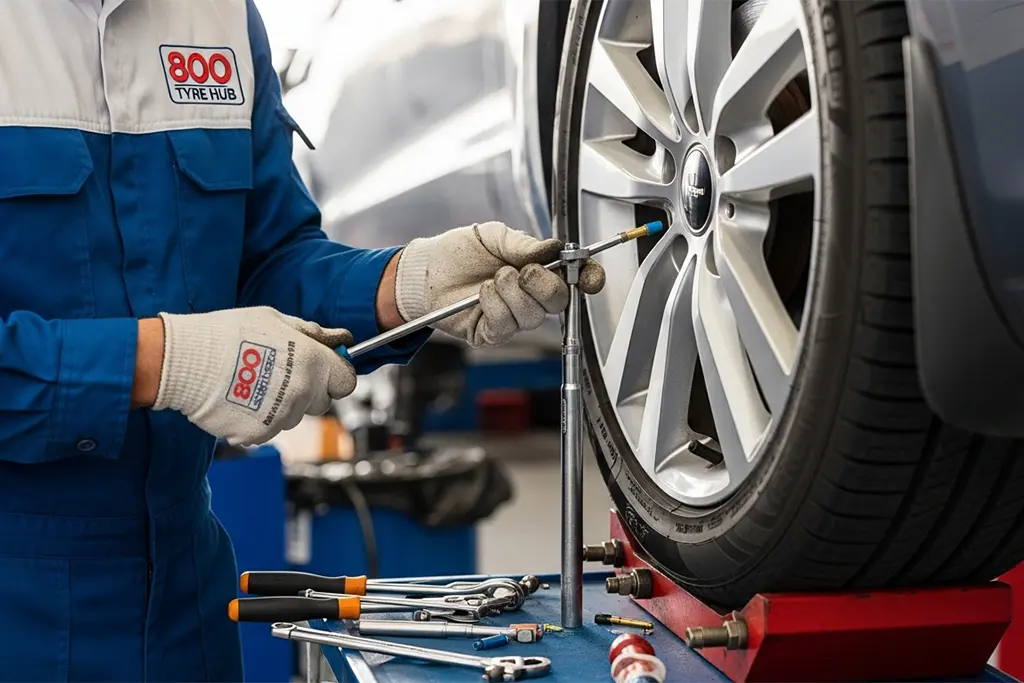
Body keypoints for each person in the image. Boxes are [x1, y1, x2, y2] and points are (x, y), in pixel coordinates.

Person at [0, 1, 605, 680]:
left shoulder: (220, 16)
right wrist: (162, 362)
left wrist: (404, 286)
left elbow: (270, 260)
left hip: (182, 592)